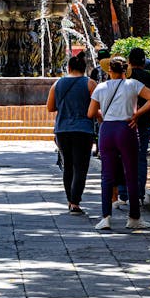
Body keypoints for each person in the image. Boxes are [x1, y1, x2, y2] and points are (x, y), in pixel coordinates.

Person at [88, 56, 150, 230]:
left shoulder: (101, 87)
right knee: (131, 174)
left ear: (109, 70)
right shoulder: (133, 84)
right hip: (126, 128)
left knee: (107, 175)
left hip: (107, 130)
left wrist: (104, 112)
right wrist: (136, 115)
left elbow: (91, 113)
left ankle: (105, 218)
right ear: (125, 70)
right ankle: (134, 217)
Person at [47, 52, 97, 215]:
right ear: (84, 68)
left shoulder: (57, 84)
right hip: (83, 130)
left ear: (68, 67)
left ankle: (70, 200)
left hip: (62, 130)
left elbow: (50, 107)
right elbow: (96, 107)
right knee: (80, 167)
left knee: (67, 166)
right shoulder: (90, 84)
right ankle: (75, 202)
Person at [115, 47, 150, 207]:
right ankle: (139, 194)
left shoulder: (124, 78)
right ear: (144, 61)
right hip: (143, 124)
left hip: (124, 122)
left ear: (129, 61)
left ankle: (123, 193)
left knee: (122, 157)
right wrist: (140, 115)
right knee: (140, 159)